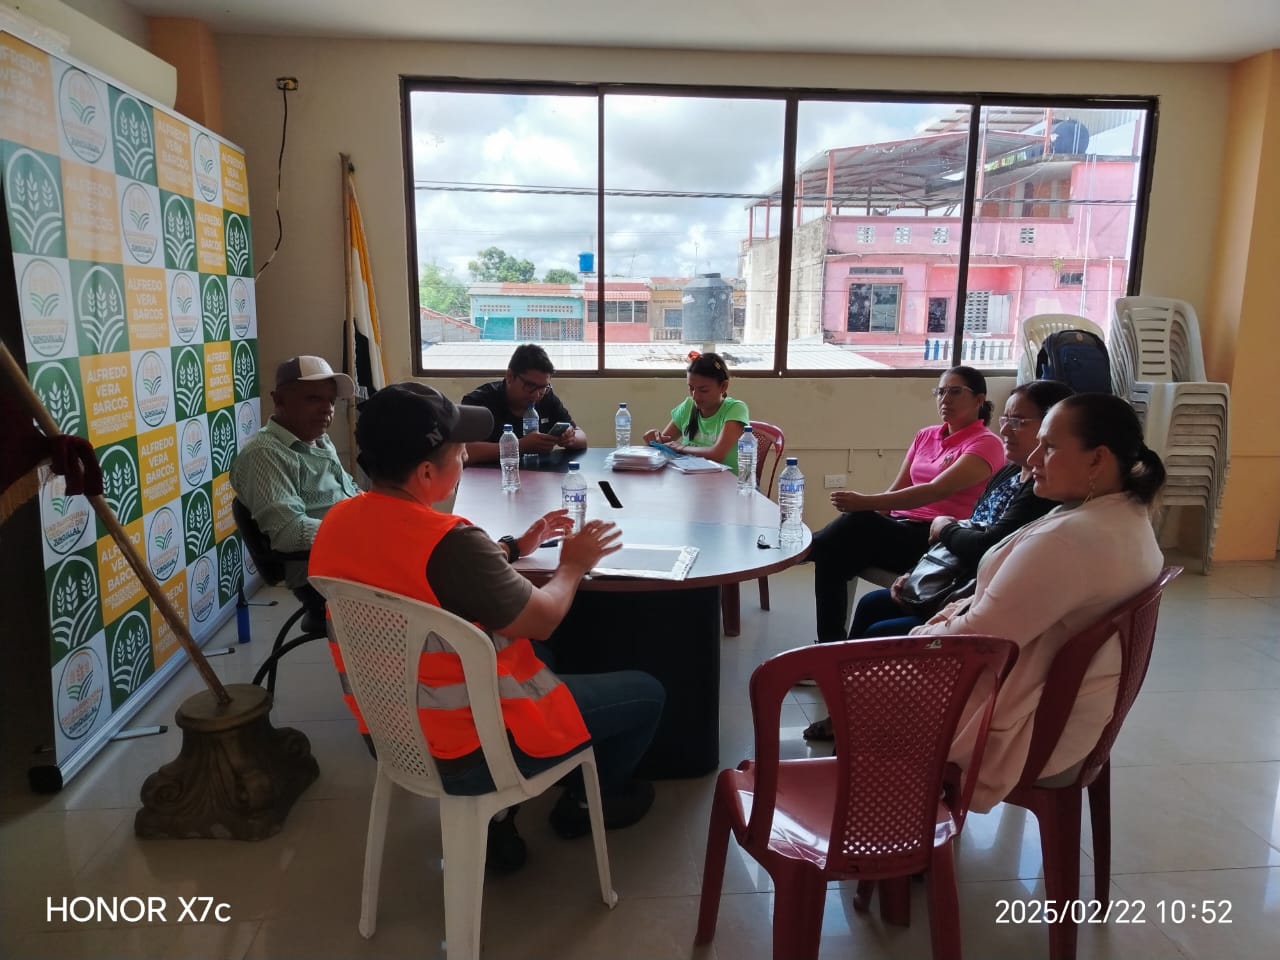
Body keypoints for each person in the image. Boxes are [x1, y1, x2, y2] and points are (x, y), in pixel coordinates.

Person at [309, 382, 665, 871]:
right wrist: (573, 565)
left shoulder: (338, 522)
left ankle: (499, 819)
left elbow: (415, 569)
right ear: (427, 471)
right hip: (471, 750)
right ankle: (584, 806)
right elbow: (543, 619)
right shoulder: (452, 543)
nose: (464, 457)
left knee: (543, 660)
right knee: (647, 693)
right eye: (457, 451)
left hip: (392, 735)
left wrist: (513, 548)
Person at [914, 393, 1166, 812]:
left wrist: (922, 633)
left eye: (1048, 447)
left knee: (864, 693)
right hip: (1071, 716)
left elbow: (976, 641)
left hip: (1034, 730)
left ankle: (892, 832)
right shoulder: (1124, 514)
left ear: (1097, 459)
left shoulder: (1069, 541)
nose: (1032, 459)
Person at [802, 379, 1072, 741]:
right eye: (1006, 419)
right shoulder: (1009, 470)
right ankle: (844, 700)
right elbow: (970, 522)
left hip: (966, 586)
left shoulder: (1033, 485)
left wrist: (942, 527)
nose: (1006, 429)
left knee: (861, 565)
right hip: (945, 562)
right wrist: (916, 570)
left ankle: (862, 718)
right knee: (865, 596)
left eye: (1020, 421)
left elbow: (982, 542)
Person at [809, 366, 1006, 645]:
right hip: (899, 529)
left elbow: (935, 490)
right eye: (940, 392)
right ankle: (831, 646)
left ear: (979, 399)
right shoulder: (926, 435)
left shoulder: (987, 444)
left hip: (937, 539)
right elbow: (897, 490)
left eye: (955, 392)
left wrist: (863, 504)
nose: (945, 399)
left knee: (851, 527)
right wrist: (870, 510)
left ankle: (806, 548)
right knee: (834, 552)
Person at [229, 355, 359, 630]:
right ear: (279, 400)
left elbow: (349, 490)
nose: (327, 409)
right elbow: (290, 534)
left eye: (331, 401)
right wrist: (358, 534)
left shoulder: (319, 440)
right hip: (321, 575)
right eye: (313, 399)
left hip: (349, 559)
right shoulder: (266, 454)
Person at [461, 343, 587, 463]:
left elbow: (582, 437)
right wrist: (519, 446)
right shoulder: (479, 401)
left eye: (543, 387)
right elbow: (462, 451)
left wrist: (570, 438)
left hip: (539, 473)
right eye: (530, 386)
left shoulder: (547, 398)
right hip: (489, 475)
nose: (537, 394)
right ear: (510, 376)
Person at [642, 352, 749, 473]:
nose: (695, 396)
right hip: (693, 480)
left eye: (703, 390)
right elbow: (663, 446)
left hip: (729, 482)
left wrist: (682, 448)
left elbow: (717, 454)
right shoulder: (688, 407)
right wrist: (654, 440)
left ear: (723, 386)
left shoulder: (735, 409)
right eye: (691, 388)